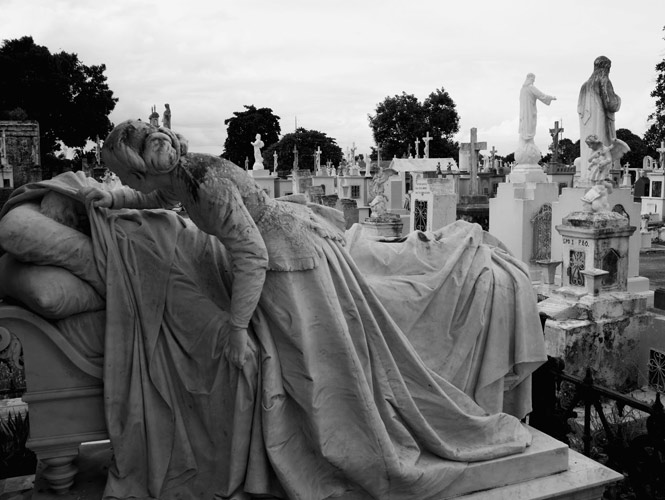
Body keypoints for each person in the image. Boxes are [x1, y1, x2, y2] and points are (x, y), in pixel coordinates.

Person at [81, 119, 543, 500]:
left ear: (140, 168)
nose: (123, 184)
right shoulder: (185, 172)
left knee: (314, 362)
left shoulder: (203, 184)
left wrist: (238, 328)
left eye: (121, 177)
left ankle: (334, 447)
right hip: (286, 243)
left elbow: (251, 254)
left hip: (287, 261)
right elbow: (160, 198)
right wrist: (115, 199)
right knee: (311, 358)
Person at [578, 56, 622, 183]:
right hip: (600, 120)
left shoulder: (584, 85)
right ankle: (600, 177)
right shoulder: (603, 80)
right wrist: (618, 99)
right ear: (606, 67)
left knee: (589, 148)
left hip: (587, 123)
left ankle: (587, 176)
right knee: (601, 145)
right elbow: (611, 103)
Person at [518, 73, 556, 141]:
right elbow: (541, 95)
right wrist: (551, 97)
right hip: (529, 111)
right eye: (533, 79)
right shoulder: (531, 87)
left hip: (524, 112)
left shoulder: (522, 90)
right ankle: (527, 141)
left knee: (526, 126)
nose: (534, 81)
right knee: (529, 126)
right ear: (530, 79)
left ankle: (526, 142)